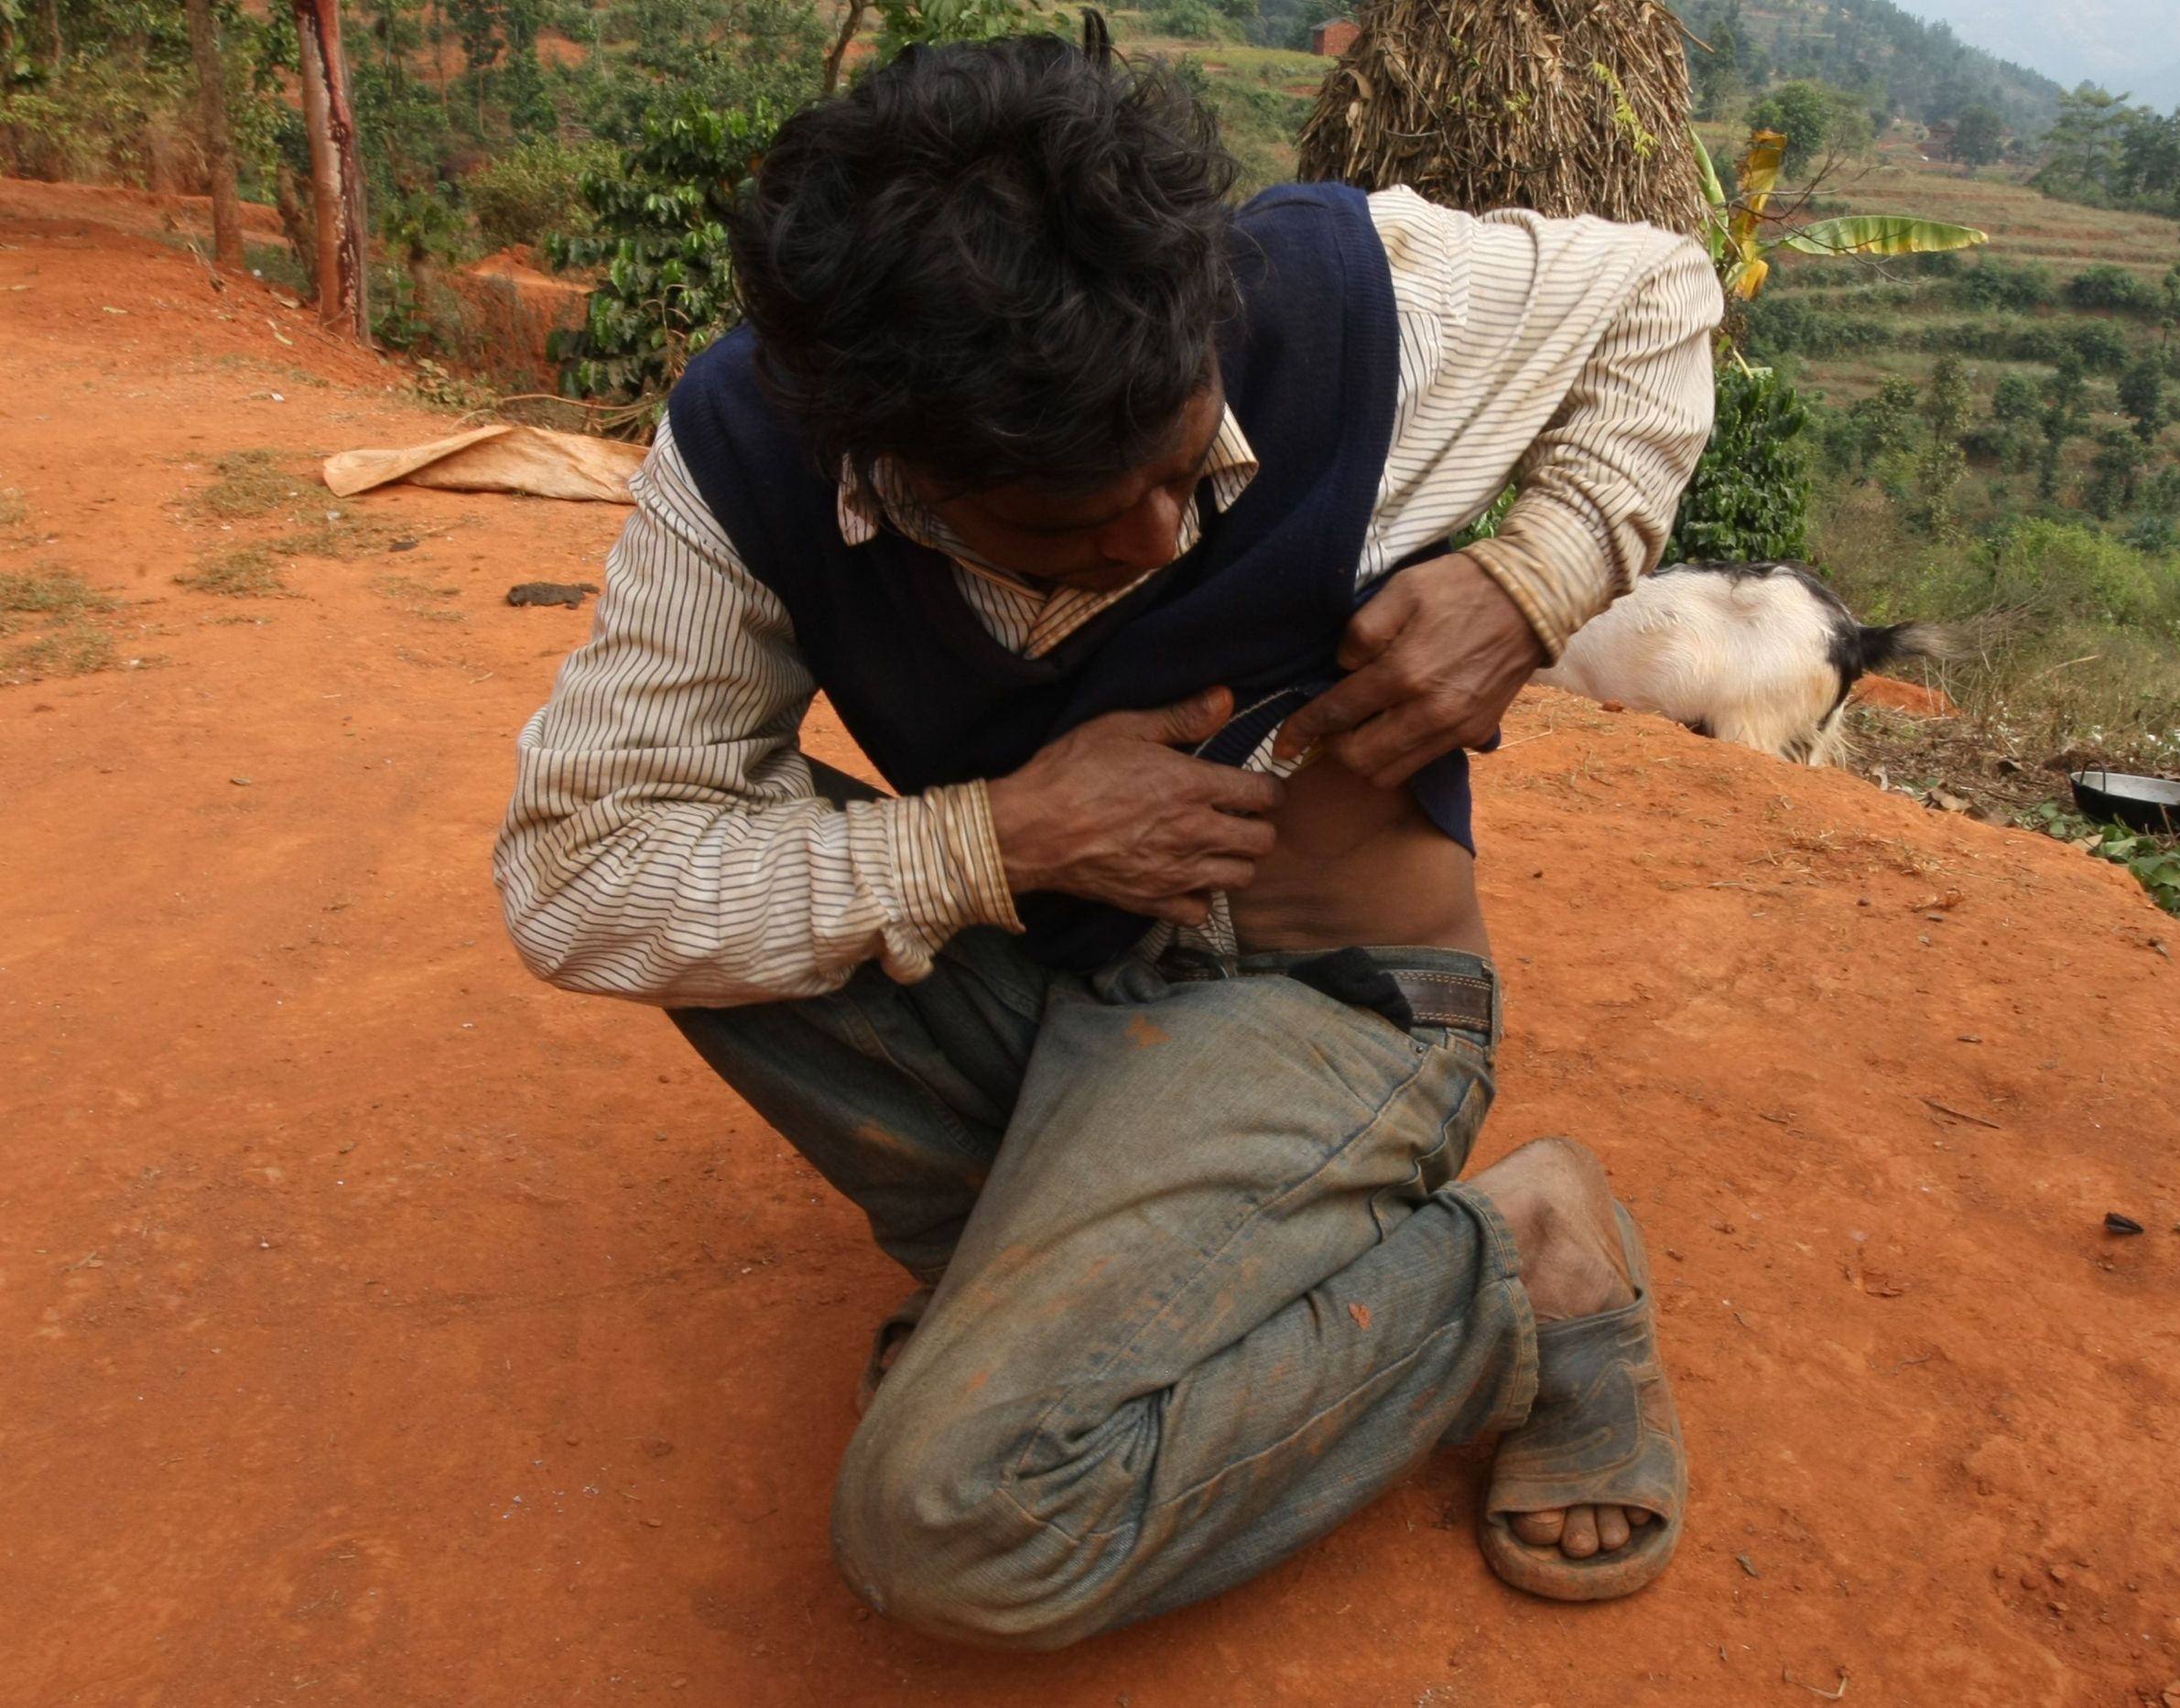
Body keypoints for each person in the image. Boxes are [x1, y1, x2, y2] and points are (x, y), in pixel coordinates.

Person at [492, 27, 1719, 1649]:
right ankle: (1074, 1288)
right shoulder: (752, 453)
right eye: (1073, 521)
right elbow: (577, 867)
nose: (1160, 533)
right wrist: (984, 846)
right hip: (1044, 962)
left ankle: (1524, 1260)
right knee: (694, 877)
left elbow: (1662, 293)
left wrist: (1536, 575)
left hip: (1327, 997)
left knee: (953, 1527)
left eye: (1183, 460)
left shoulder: (1340, 296)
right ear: (899, 468)